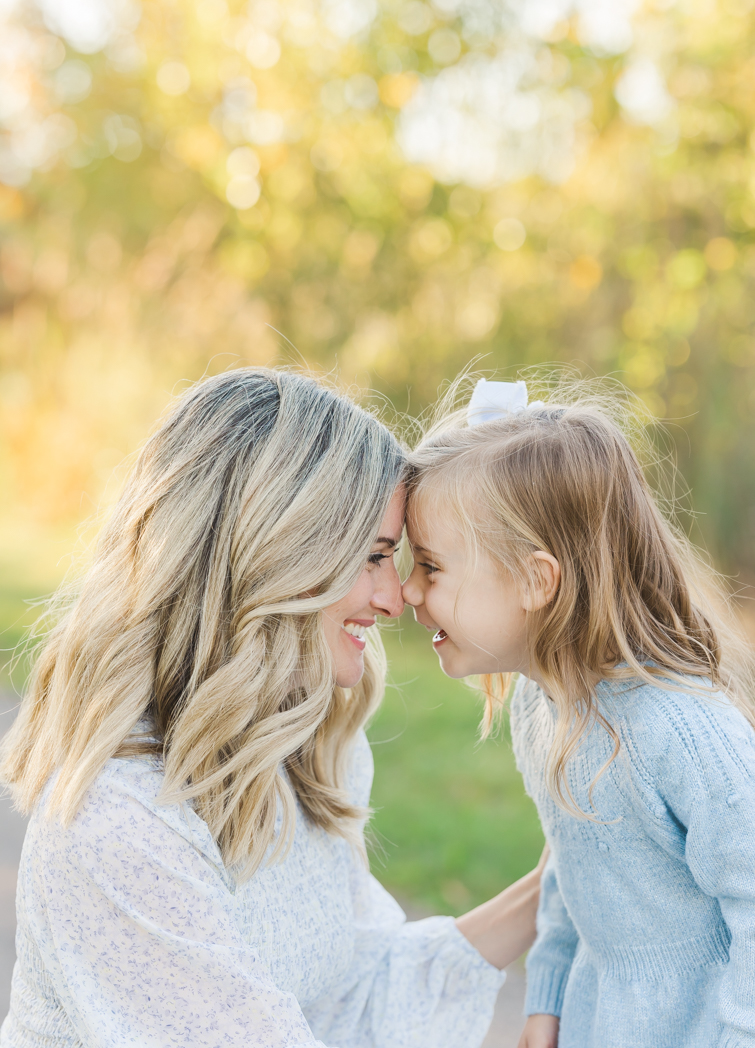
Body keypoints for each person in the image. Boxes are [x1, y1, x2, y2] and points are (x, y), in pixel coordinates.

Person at [0, 368, 544, 1048]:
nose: (394, 596)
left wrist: (559, 879)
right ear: (276, 558)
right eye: (374, 556)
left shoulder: (307, 746)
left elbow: (349, 999)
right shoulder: (116, 820)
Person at [402, 377, 755, 1048]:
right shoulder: (546, 706)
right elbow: (573, 862)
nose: (408, 590)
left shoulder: (677, 725)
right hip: (605, 1019)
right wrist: (547, 996)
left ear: (537, 580)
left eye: (429, 565)